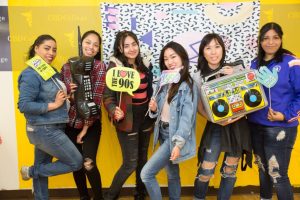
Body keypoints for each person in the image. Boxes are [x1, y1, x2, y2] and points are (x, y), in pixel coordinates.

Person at [18, 34, 82, 200]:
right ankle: (31, 171)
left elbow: (56, 98)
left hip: (52, 125)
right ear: (36, 48)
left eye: (54, 49)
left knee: (42, 166)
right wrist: (53, 105)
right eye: (47, 48)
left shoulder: (49, 70)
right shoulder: (31, 74)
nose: (51, 53)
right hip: (44, 129)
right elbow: (24, 105)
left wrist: (68, 95)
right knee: (76, 162)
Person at [193, 33, 252, 200]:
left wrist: (235, 74)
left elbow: (250, 98)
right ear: (202, 52)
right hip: (216, 127)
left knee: (230, 169)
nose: (213, 52)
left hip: (238, 127)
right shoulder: (198, 77)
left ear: (223, 49)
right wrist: (214, 119)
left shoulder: (235, 69)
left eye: (217, 46)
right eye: (208, 48)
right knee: (206, 169)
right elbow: (198, 105)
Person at [247, 22, 300, 200]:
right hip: (255, 125)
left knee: (277, 175)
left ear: (281, 39)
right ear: (260, 41)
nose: (270, 42)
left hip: (280, 128)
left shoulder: (291, 62)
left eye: (275, 37)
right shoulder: (255, 63)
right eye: (266, 38)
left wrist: (285, 115)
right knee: (263, 171)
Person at [140, 41, 197, 200]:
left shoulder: (188, 85)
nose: (170, 61)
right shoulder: (164, 81)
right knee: (172, 174)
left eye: (173, 57)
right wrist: (153, 109)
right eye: (166, 59)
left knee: (146, 174)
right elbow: (160, 113)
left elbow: (187, 118)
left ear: (182, 58)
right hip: (162, 131)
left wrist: (178, 143)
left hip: (174, 135)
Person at [103, 30, 154, 200]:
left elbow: (150, 91)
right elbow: (108, 96)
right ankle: (110, 196)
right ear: (120, 47)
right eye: (126, 45)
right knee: (130, 163)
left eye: (134, 44)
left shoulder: (145, 64)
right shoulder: (115, 67)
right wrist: (113, 110)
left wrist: (154, 106)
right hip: (128, 119)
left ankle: (140, 194)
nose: (132, 48)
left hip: (146, 118)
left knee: (143, 160)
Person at [61, 30, 106, 200]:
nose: (91, 47)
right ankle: (83, 196)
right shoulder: (67, 66)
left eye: (95, 45)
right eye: (88, 42)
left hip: (91, 124)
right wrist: (69, 95)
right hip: (70, 123)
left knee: (88, 162)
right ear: (81, 43)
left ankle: (99, 197)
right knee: (76, 164)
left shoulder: (100, 66)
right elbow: (63, 99)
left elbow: (96, 98)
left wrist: (85, 128)